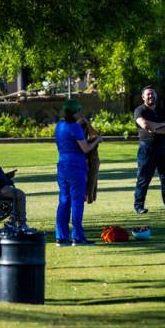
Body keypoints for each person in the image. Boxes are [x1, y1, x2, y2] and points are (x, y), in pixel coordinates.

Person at [55, 98, 103, 246]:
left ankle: (61, 237)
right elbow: (86, 148)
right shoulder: (75, 128)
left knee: (64, 201)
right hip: (76, 167)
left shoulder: (59, 126)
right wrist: (97, 140)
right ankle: (78, 237)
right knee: (77, 202)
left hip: (62, 166)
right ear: (76, 112)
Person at [133, 86, 165, 214]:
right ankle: (139, 206)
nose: (150, 96)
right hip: (146, 149)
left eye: (152, 94)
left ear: (156, 96)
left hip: (162, 148)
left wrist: (156, 127)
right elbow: (146, 126)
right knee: (143, 178)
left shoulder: (162, 110)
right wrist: (161, 125)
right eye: (148, 94)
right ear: (143, 97)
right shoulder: (139, 111)